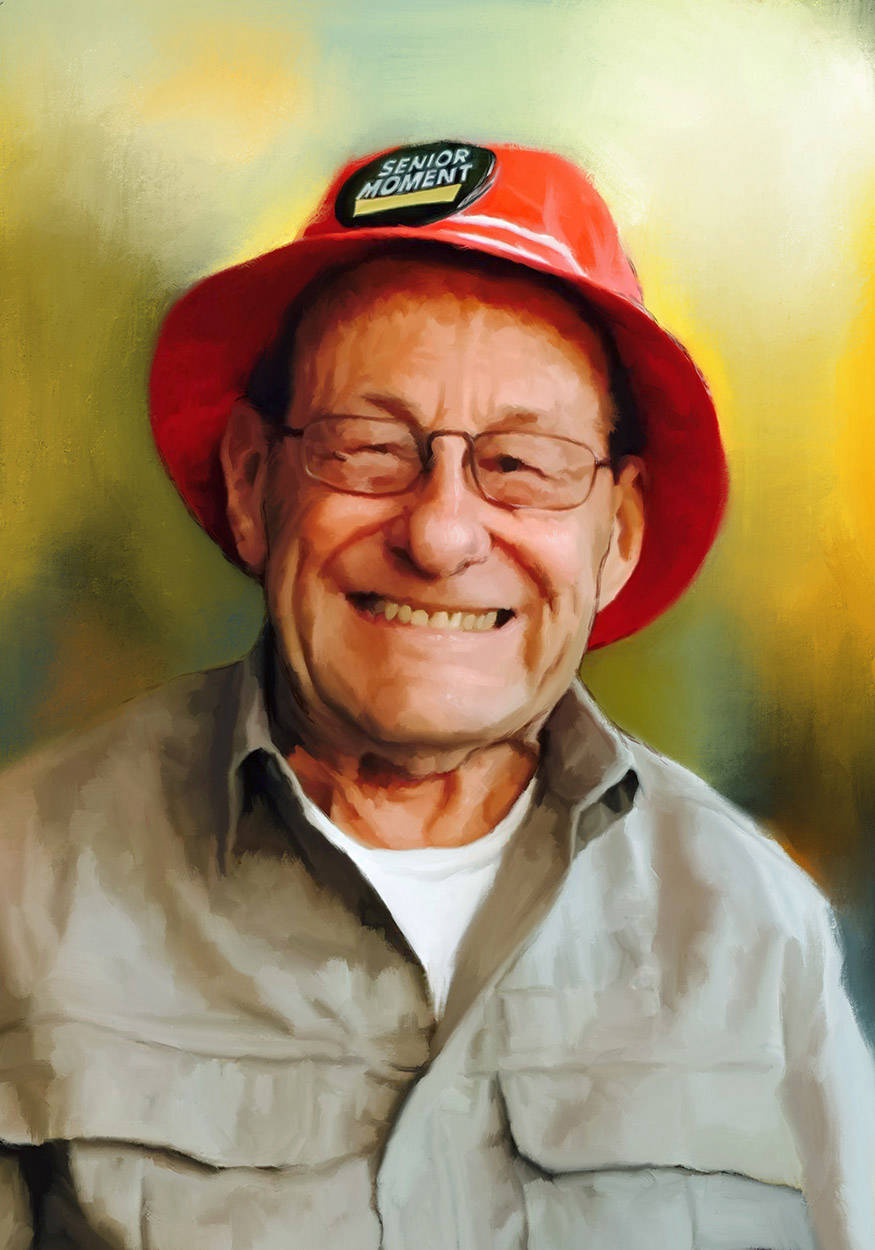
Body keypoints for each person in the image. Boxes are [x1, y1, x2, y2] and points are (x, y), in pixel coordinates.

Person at [0, 139, 872, 1250]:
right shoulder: (21, 882)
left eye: (522, 463)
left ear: (617, 536)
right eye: (369, 448)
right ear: (253, 485)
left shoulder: (756, 927)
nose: (442, 532)